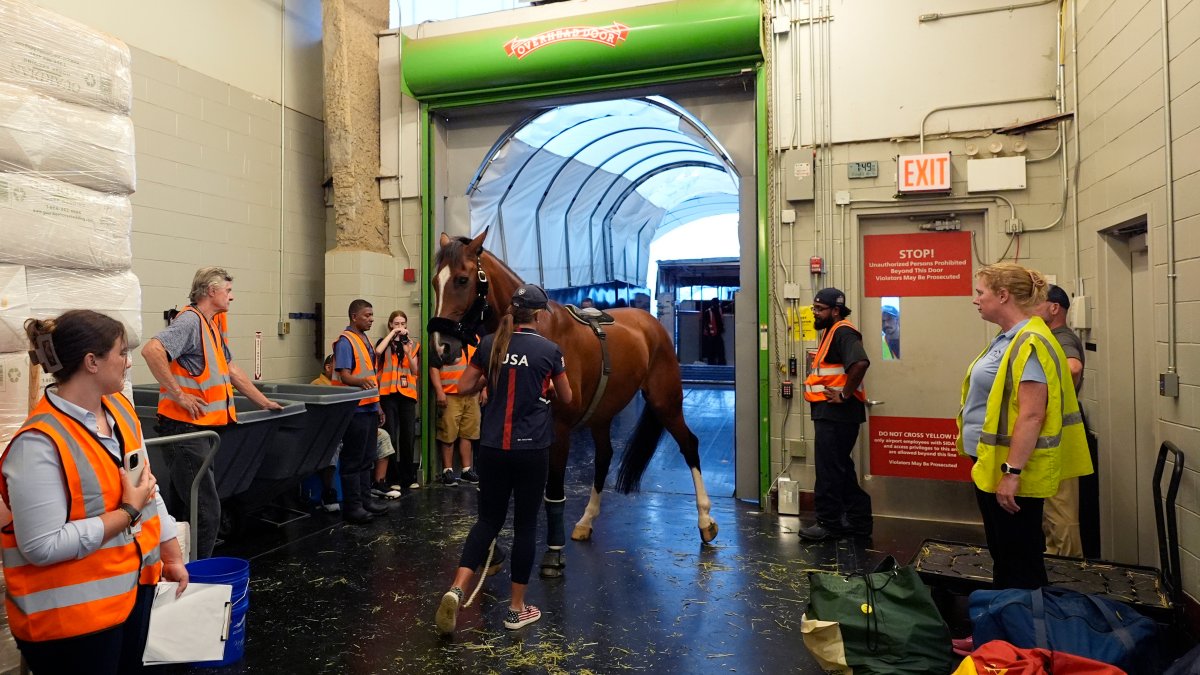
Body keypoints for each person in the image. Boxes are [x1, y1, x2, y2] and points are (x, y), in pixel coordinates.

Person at [1, 311, 188, 674]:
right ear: (91, 362)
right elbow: (41, 546)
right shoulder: (40, 443)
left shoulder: (119, 410)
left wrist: (170, 552)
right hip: (71, 625)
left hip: (131, 596)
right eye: (121, 352)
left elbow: (148, 491)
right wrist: (125, 514)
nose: (129, 362)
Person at [434, 283, 572, 634]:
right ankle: (516, 610)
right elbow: (567, 397)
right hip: (531, 449)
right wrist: (549, 387)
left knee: (486, 523)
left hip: (494, 447)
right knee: (526, 526)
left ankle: (456, 588)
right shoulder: (549, 350)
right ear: (540, 314)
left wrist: (486, 384)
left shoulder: (489, 344)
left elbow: (462, 386)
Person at [956, 264, 1091, 589]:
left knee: (1018, 560)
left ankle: (1019, 634)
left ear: (1003, 295)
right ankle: (1002, 633)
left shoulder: (1029, 342)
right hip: (992, 462)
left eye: (981, 292)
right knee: (1005, 554)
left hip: (1012, 469)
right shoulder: (1008, 339)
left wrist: (1011, 473)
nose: (976, 300)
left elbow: (1032, 414)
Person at [142, 266, 282, 558]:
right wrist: (179, 395)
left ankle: (184, 568)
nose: (232, 297)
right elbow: (153, 351)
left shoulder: (211, 325)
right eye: (228, 291)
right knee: (206, 512)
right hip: (184, 429)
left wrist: (263, 402)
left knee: (191, 505)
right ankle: (197, 577)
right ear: (211, 291)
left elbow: (231, 370)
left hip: (201, 431)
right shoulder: (191, 322)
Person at [799, 288, 873, 541]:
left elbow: (860, 363)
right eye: (814, 308)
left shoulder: (842, 331)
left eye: (820, 309)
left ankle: (829, 524)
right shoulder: (831, 333)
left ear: (836, 311)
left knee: (830, 471)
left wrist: (844, 394)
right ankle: (858, 521)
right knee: (840, 470)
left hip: (837, 413)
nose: (815, 313)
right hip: (831, 414)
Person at [331, 299, 390, 524]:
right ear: (354, 317)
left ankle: (366, 501)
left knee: (368, 457)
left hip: (369, 407)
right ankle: (353, 506)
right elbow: (345, 375)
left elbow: (371, 378)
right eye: (367, 315)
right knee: (353, 459)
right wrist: (360, 382)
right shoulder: (346, 341)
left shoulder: (364, 339)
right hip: (354, 410)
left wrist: (378, 406)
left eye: (372, 315)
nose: (371, 319)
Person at [1037, 285, 1085, 557]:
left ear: (1054, 308)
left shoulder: (1061, 336)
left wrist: (1038, 385)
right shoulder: (1048, 336)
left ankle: (1070, 579)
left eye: (1037, 302)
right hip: (1052, 436)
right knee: (1051, 514)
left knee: (1062, 514)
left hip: (1061, 437)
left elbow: (1073, 367)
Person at [376, 310, 421, 494]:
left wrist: (408, 351)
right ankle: (392, 477)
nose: (400, 327)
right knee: (391, 435)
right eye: (396, 324)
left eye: (403, 324)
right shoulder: (383, 343)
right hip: (387, 394)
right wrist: (392, 335)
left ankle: (408, 477)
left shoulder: (412, 344)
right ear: (390, 325)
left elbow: (414, 369)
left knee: (408, 435)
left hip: (406, 395)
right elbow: (378, 352)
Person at [430, 340, 482, 487]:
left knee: (469, 433)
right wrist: (439, 391)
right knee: (448, 432)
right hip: (450, 394)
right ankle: (447, 470)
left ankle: (466, 470)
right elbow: (434, 367)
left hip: (472, 394)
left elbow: (483, 367)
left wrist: (484, 389)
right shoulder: (444, 341)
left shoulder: (475, 340)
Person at [700, 298, 726, 365]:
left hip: (715, 334)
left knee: (718, 351)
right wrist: (710, 333)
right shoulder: (709, 312)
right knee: (715, 351)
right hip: (712, 335)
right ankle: (716, 364)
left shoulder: (715, 310)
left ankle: (716, 363)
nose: (717, 305)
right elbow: (707, 324)